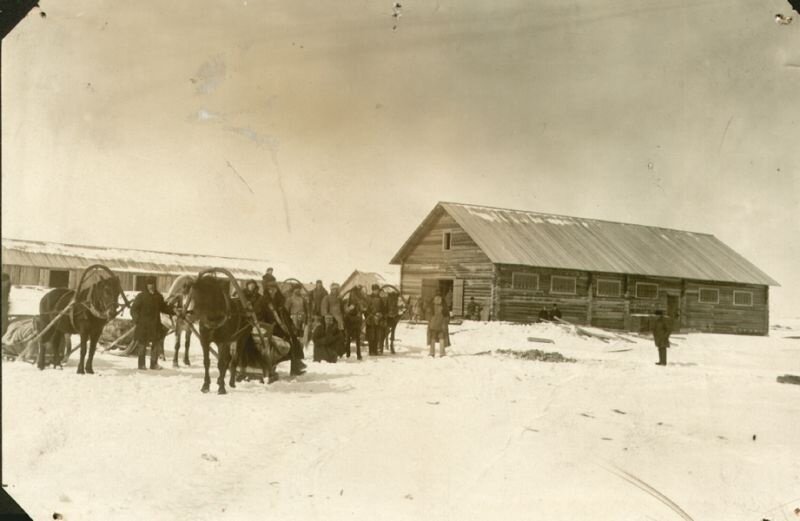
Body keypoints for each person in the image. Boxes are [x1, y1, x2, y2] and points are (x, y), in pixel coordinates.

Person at [255, 280, 306, 376]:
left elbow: (285, 315)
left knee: (293, 339)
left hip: (279, 327)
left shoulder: (279, 301)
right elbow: (259, 316)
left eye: (274, 289)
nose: (272, 291)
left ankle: (295, 366)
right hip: (269, 328)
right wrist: (268, 325)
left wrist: (291, 325)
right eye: (270, 290)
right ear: (267, 290)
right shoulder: (262, 301)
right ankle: (294, 364)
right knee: (287, 341)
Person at [130, 277, 173, 370]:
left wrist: (173, 311)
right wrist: (137, 320)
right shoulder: (141, 296)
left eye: (153, 284)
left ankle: (154, 364)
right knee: (142, 344)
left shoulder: (158, 297)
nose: (151, 286)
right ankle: (141, 365)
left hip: (155, 325)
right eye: (149, 284)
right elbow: (133, 309)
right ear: (146, 285)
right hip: (143, 325)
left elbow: (164, 308)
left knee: (156, 344)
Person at [427, 290, 450, 357]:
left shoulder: (431, 303)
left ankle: (432, 353)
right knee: (441, 338)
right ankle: (442, 353)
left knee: (432, 338)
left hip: (433, 323)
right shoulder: (443, 303)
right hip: (442, 323)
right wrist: (446, 321)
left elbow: (428, 313)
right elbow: (447, 314)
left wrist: (430, 320)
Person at [343, 286, 364, 360]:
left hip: (356, 321)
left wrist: (360, 311)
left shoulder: (359, 301)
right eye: (353, 293)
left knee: (357, 337)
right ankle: (348, 352)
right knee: (348, 337)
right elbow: (345, 310)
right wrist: (349, 309)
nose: (353, 295)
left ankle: (358, 354)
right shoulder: (347, 301)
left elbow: (361, 309)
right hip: (349, 321)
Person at [365, 284, 386, 355]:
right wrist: (371, 315)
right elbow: (366, 309)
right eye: (375, 290)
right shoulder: (369, 298)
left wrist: (381, 314)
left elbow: (383, 309)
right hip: (370, 319)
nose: (376, 291)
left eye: (377, 290)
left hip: (378, 319)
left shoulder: (380, 299)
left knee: (377, 335)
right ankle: (371, 351)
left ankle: (375, 351)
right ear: (373, 290)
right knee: (371, 336)